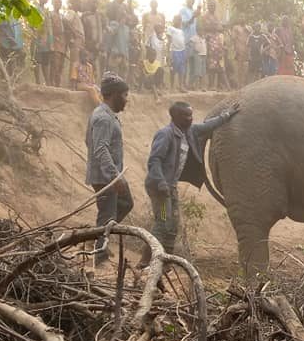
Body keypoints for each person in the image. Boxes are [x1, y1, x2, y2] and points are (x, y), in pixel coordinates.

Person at [141, 100, 241, 264]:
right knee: (163, 222)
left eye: (191, 115)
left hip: (170, 188)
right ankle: (145, 261)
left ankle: (165, 262)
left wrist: (227, 114)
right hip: (159, 189)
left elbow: (208, 126)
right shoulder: (165, 134)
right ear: (175, 117)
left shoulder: (190, 131)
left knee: (173, 227)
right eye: (186, 116)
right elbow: (154, 161)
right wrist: (160, 182)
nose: (190, 118)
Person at [85, 72, 132, 264]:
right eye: (124, 95)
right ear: (113, 94)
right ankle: (99, 255)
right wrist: (114, 176)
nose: (126, 100)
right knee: (107, 214)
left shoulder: (105, 115)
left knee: (124, 204)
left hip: (108, 174)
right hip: (106, 177)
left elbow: (89, 141)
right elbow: (100, 148)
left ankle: (100, 239)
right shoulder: (103, 117)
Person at [105, 0, 135, 74]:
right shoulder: (111, 5)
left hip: (123, 36)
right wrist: (109, 27)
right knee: (111, 59)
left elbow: (132, 20)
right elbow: (107, 17)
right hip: (112, 32)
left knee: (123, 62)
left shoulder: (126, 7)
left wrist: (130, 7)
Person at [31, 0, 52, 85]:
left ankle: (47, 82)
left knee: (46, 62)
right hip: (36, 39)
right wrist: (36, 33)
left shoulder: (47, 12)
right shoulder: (34, 9)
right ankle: (37, 82)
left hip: (46, 41)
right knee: (36, 60)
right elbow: (31, 24)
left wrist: (50, 42)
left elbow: (49, 28)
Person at [81, 0, 105, 79]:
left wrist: (100, 43)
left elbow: (103, 28)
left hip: (98, 44)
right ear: (89, 4)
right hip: (89, 43)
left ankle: (95, 80)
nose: (95, 5)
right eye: (93, 2)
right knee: (89, 61)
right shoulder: (85, 15)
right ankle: (87, 80)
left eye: (96, 3)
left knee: (96, 62)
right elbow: (83, 29)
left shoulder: (100, 16)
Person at [47, 0, 67, 87]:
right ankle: (52, 83)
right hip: (54, 41)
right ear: (52, 3)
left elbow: (66, 30)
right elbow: (50, 30)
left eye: (60, 2)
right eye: (56, 2)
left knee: (61, 65)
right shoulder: (50, 14)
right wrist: (51, 44)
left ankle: (58, 84)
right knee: (55, 64)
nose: (58, 4)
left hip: (63, 42)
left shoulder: (63, 16)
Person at [180, 0, 199, 82]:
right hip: (186, 38)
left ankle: (191, 84)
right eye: (188, 0)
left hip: (194, 38)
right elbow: (184, 24)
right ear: (186, 1)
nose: (190, 2)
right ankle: (183, 83)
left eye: (192, 0)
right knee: (185, 61)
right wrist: (193, 17)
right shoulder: (183, 10)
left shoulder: (194, 11)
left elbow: (196, 26)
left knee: (193, 61)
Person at [167, 16, 187, 91]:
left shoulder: (181, 31)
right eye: (177, 20)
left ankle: (181, 86)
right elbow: (169, 41)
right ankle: (172, 87)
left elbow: (183, 42)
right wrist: (168, 52)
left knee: (181, 70)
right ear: (173, 20)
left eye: (180, 20)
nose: (179, 21)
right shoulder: (170, 28)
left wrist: (185, 52)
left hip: (182, 51)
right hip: (174, 51)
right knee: (173, 69)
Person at [231, 21, 251, 87]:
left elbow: (251, 36)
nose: (242, 19)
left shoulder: (248, 27)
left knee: (245, 69)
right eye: (241, 17)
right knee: (238, 68)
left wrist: (247, 30)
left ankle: (243, 84)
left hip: (246, 50)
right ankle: (238, 85)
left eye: (243, 17)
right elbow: (233, 38)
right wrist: (235, 48)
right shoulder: (236, 27)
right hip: (238, 50)